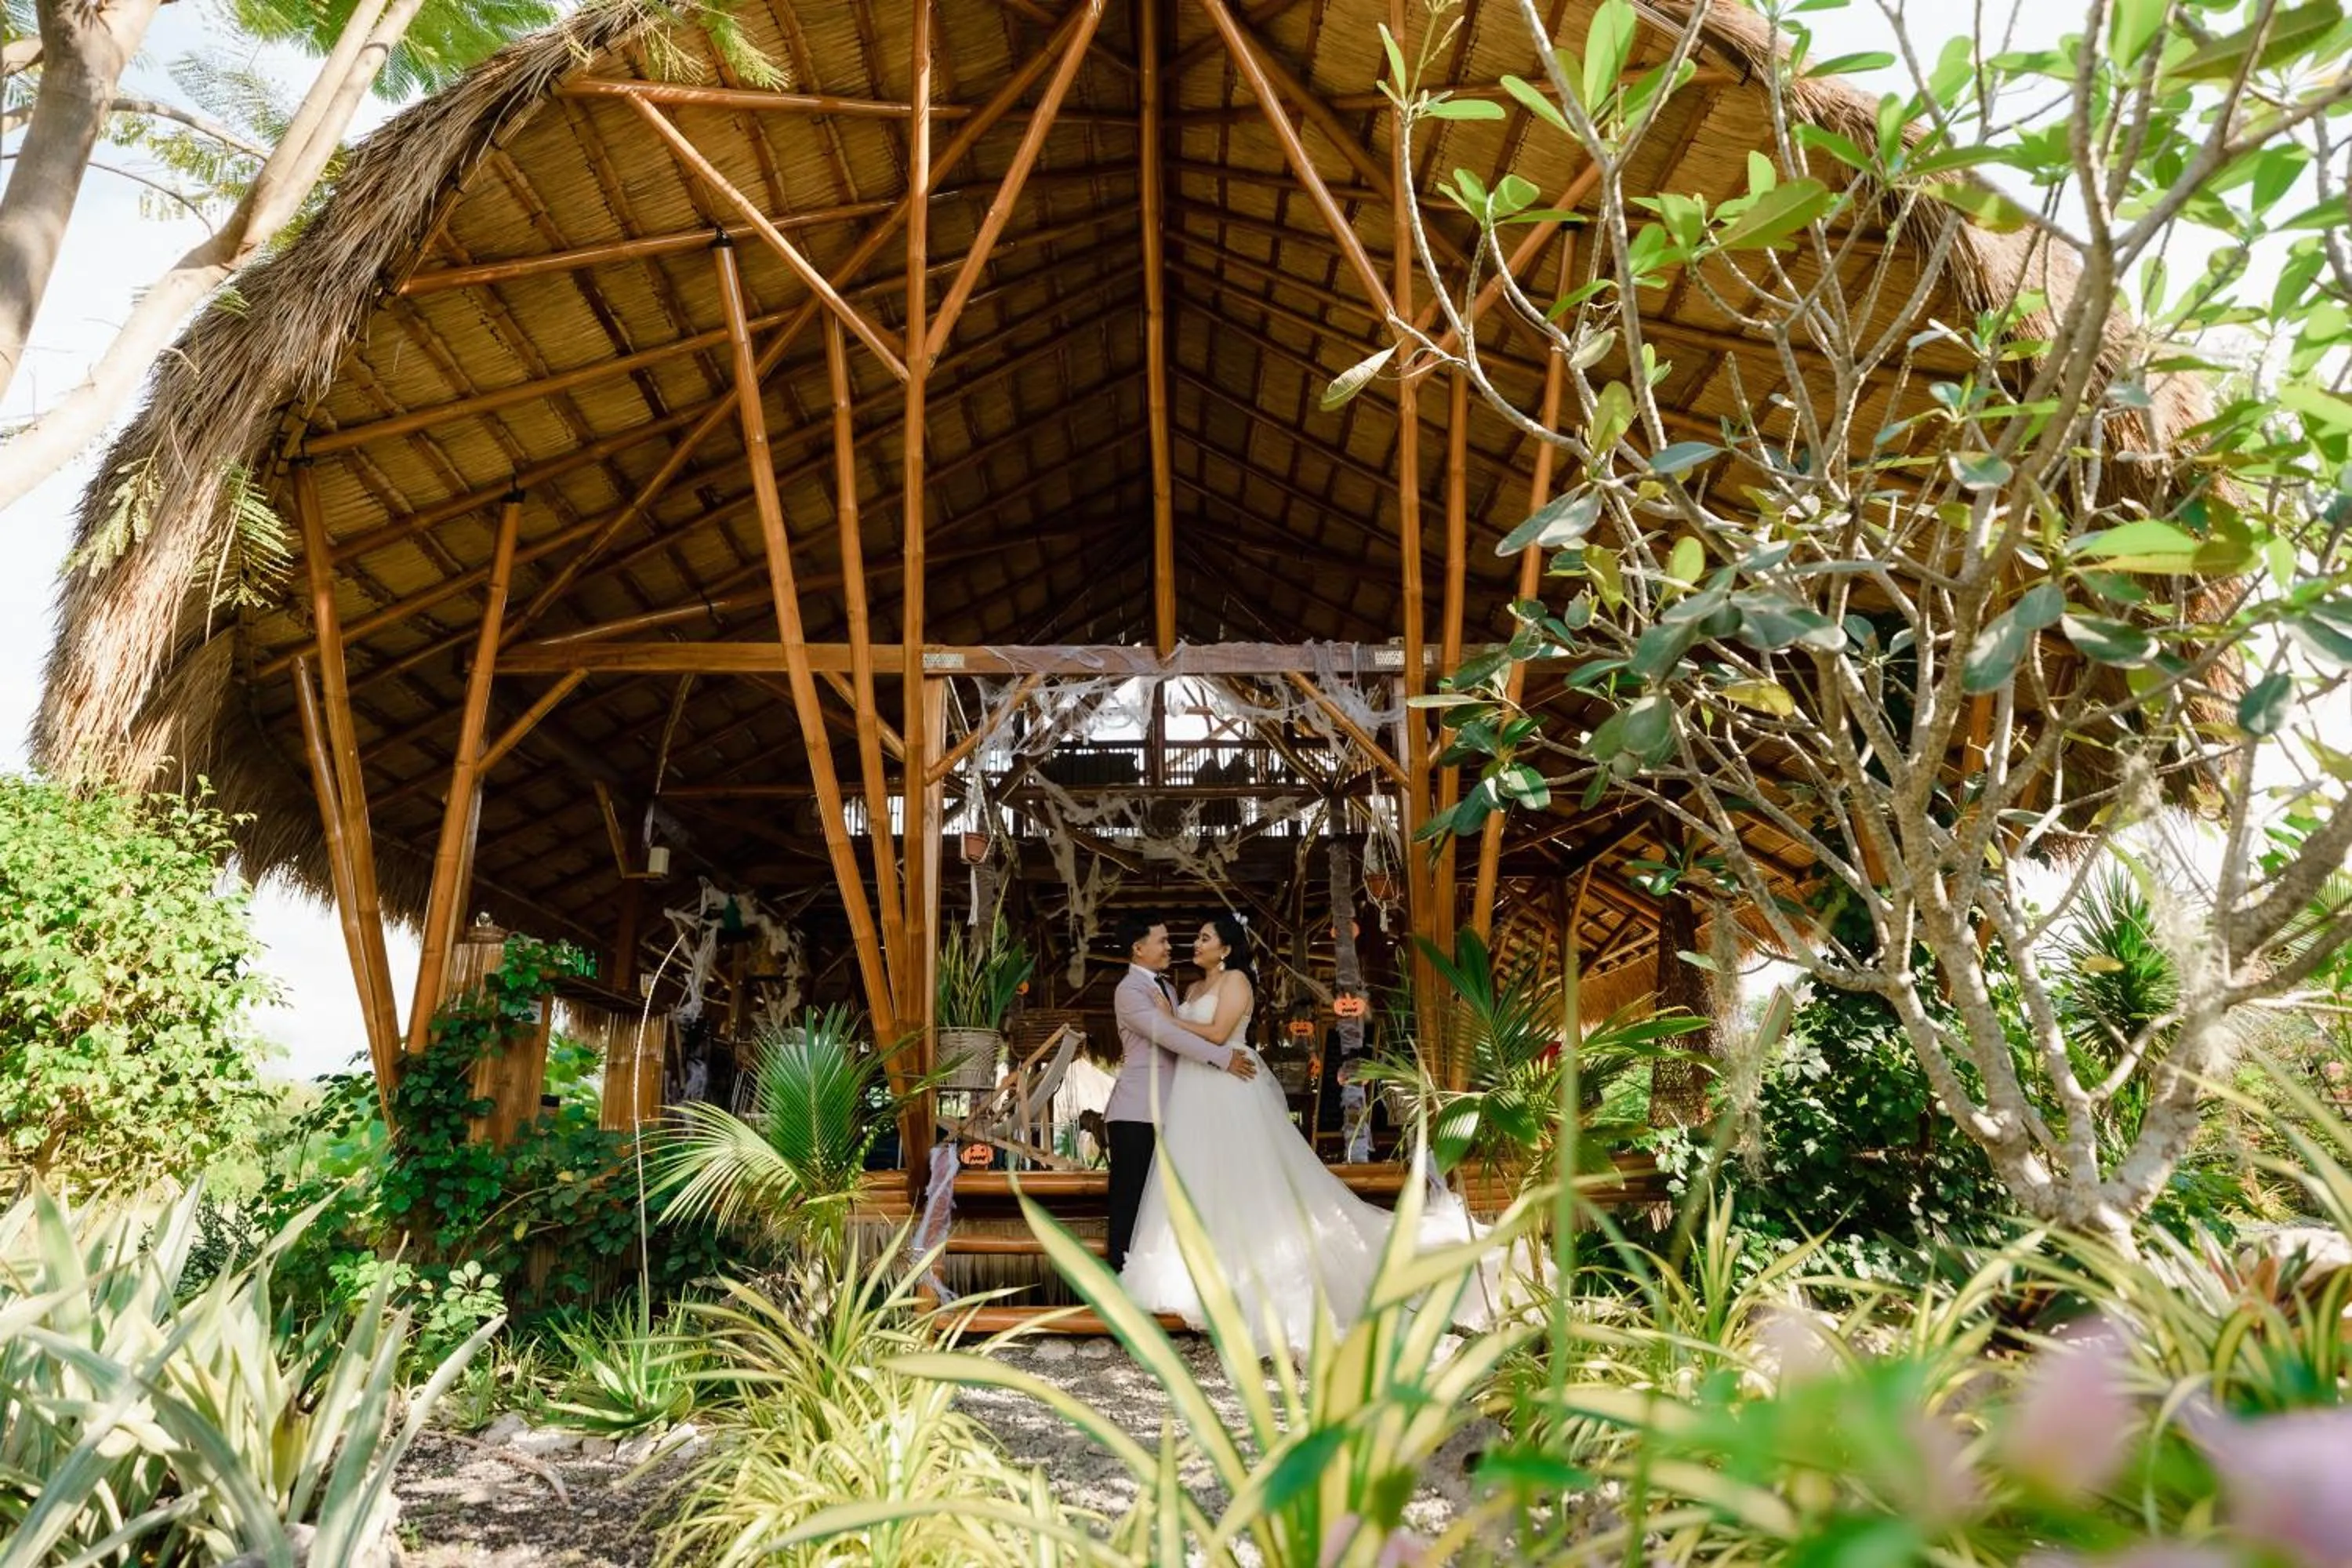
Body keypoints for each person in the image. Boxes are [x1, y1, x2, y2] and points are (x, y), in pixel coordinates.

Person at [1119, 913, 1519, 1355]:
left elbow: (1215, 1034)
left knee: (1247, 1179)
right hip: (1193, 1093)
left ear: (1226, 948)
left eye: (1203, 936)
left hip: (1230, 1082)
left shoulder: (1235, 982)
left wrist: (1170, 1022)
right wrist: (1170, 1021)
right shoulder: (1186, 990)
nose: (1193, 943)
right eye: (1195, 935)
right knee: (1197, 1177)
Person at [1103, 913, 1258, 1274]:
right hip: (1137, 1110)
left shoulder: (1170, 989)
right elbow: (1165, 1033)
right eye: (1162, 941)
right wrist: (1222, 1058)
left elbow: (1189, 1029)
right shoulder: (1129, 991)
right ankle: (1121, 1280)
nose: (1170, 946)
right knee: (1131, 1200)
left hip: (1177, 1109)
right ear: (1138, 949)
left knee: (1163, 1204)